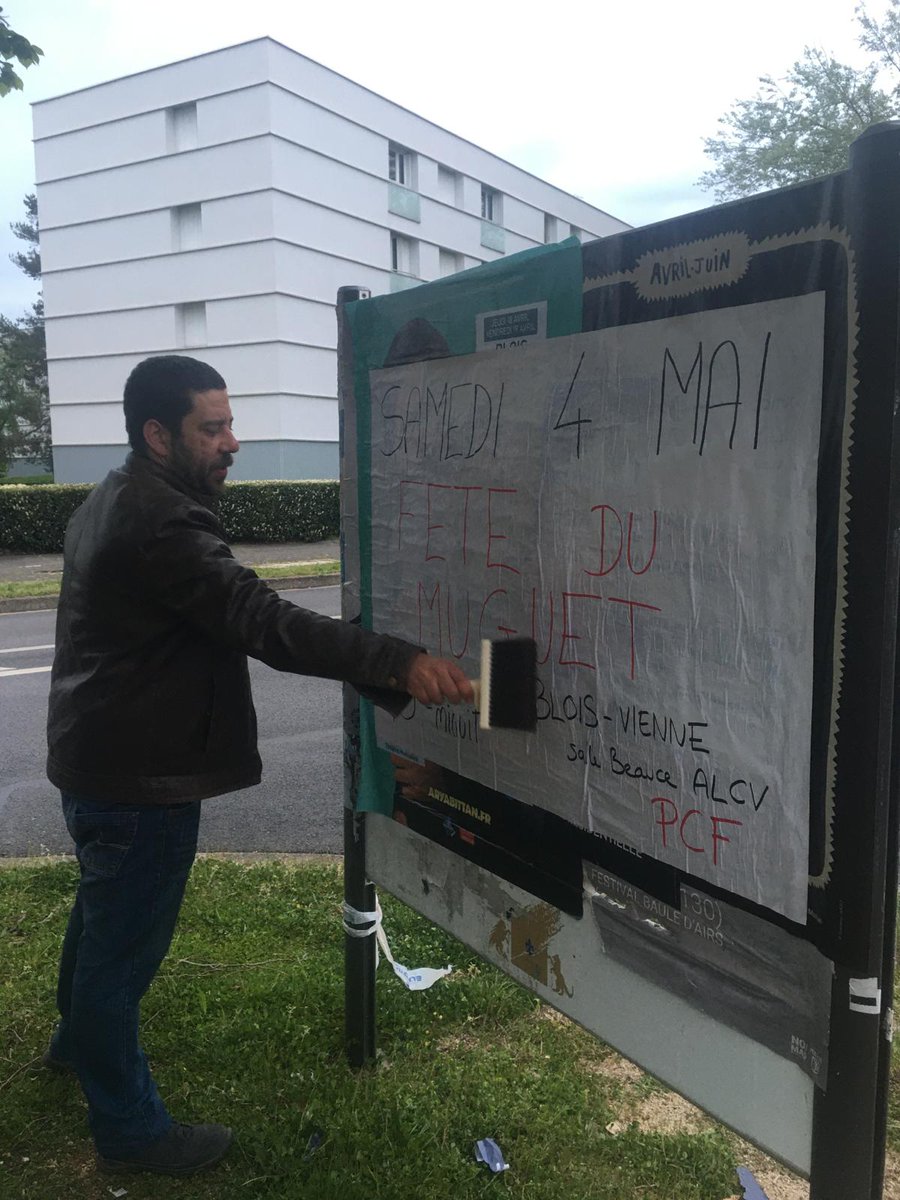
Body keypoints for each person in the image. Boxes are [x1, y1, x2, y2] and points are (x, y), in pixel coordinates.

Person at [43, 354, 473, 1177]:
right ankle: (131, 1133)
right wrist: (397, 663)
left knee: (102, 921)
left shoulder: (114, 496)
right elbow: (259, 619)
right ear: (157, 434)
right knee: (120, 955)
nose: (233, 442)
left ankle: (75, 1042)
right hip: (137, 780)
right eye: (214, 428)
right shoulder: (162, 521)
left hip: (95, 759)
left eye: (230, 423)